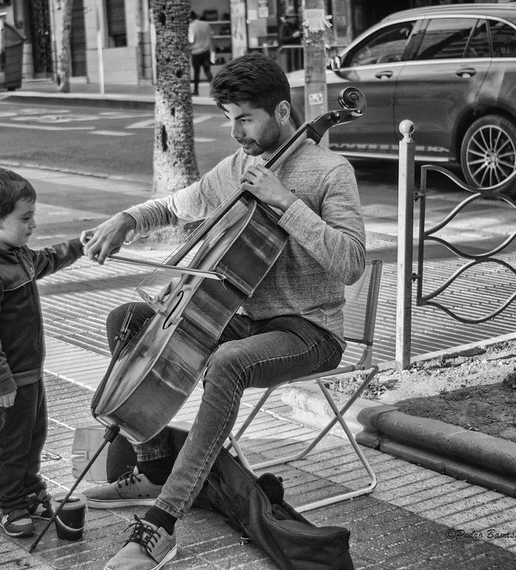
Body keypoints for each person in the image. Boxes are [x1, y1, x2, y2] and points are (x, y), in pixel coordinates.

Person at [80, 53, 366, 570]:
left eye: (245, 118)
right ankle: (153, 465)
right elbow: (175, 205)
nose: (236, 132)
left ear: (281, 112)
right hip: (243, 317)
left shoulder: (330, 172)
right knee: (129, 321)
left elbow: (350, 263)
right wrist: (126, 219)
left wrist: (285, 202)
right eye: (229, 118)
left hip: (309, 331)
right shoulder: (235, 168)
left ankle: (161, 526)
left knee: (227, 361)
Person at [0, 166, 84, 538]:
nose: (33, 224)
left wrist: (82, 245)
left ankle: (30, 493)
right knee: (13, 445)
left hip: (29, 375)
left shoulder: (19, 255)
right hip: (6, 382)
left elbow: (48, 258)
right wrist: (0, 380)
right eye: (26, 218)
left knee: (35, 436)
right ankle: (11, 503)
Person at [189, 11, 214, 96]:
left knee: (196, 72)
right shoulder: (206, 24)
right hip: (206, 51)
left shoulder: (190, 27)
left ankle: (196, 90)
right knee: (207, 71)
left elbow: (191, 40)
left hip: (195, 53)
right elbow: (211, 36)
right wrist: (212, 49)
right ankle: (214, 89)